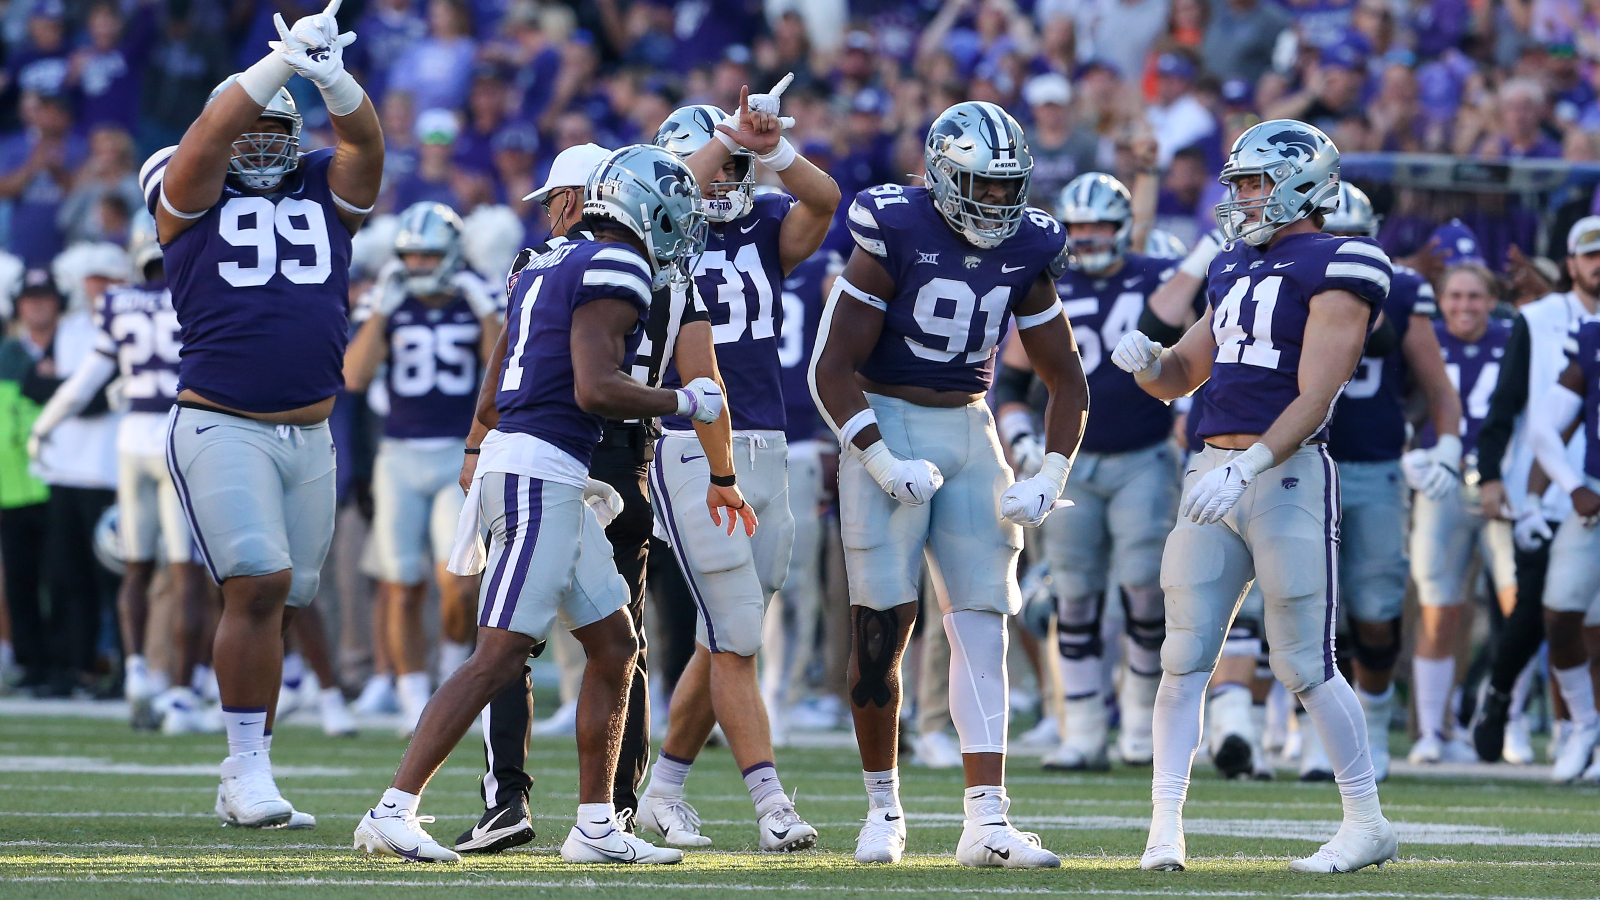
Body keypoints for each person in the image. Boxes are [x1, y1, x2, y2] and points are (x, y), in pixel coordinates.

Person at [354, 144, 722, 865]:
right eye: (672, 206)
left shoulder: (542, 261)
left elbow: (491, 397)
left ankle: (594, 826)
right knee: (500, 654)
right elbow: (595, 388)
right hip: (540, 472)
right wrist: (683, 398)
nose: (681, 223)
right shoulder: (615, 265)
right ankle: (392, 810)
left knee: (616, 647)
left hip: (532, 463)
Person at [1110, 120, 1396, 872]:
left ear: (1302, 182)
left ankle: (1366, 822)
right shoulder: (1234, 266)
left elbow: (1318, 393)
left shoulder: (1344, 260)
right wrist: (1146, 363)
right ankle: (1164, 830)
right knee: (1182, 656)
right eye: (1236, 182)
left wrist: (1252, 464)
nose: (1238, 198)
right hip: (1212, 471)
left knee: (1304, 660)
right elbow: (1183, 374)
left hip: (1286, 473)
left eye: (1252, 182)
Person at [811, 100, 1090, 869]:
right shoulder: (893, 228)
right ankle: (883, 809)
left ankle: (988, 822)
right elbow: (830, 369)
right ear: (940, 173)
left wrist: (1050, 472)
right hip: (885, 419)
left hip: (972, 428)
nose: (998, 202)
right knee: (880, 634)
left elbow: (1067, 380)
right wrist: (877, 459)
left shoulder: (1030, 242)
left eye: (1008, 186)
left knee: (983, 626)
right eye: (982, 184)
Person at [146, 0, 383, 829]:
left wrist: (333, 78)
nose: (258, 141)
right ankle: (248, 768)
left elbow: (366, 149)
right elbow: (209, 138)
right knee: (256, 579)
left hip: (310, 427)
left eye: (275, 130)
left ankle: (246, 766)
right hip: (221, 419)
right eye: (249, 125)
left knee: (285, 595)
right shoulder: (185, 183)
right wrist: (281, 63)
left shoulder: (321, 181)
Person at [456, 140, 716, 854]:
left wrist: (478, 448)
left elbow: (514, 373)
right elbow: (705, 382)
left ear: (577, 200)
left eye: (552, 202)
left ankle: (505, 799)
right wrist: (719, 469)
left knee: (511, 642)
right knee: (617, 642)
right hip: (628, 457)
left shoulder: (550, 265)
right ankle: (613, 811)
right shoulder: (671, 273)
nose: (546, 216)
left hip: (555, 445)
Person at [633, 80, 839, 853]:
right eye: (707, 166)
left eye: (730, 168)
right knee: (738, 633)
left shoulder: (764, 226)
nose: (718, 180)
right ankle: (771, 802)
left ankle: (663, 794)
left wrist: (771, 145)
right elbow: (676, 187)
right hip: (690, 442)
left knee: (727, 638)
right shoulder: (654, 233)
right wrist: (724, 135)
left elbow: (825, 200)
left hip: (770, 440)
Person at [995, 173, 1174, 772]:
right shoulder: (1049, 284)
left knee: (1146, 591)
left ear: (1125, 227)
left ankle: (1141, 724)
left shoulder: (1156, 278)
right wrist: (1022, 440)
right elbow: (1013, 384)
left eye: (1102, 224)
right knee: (1072, 595)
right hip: (1068, 463)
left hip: (1144, 456)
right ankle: (1082, 728)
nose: (1092, 237)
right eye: (1082, 226)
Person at [27, 220, 216, 732]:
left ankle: (137, 674)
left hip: (130, 437)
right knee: (185, 572)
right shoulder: (198, 292)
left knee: (135, 566)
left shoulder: (118, 304)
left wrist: (43, 428)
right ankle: (179, 695)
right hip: (180, 432)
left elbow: (83, 382)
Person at [1321, 182, 1461, 780]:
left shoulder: (1401, 291)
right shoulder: (1285, 281)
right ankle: (1307, 734)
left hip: (1372, 467)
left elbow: (1437, 388)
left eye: (1357, 239)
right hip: (1300, 462)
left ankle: (1374, 727)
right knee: (1310, 610)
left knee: (1375, 608)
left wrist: (1442, 443)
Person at [343, 201, 499, 736]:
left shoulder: (475, 297)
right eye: (409, 255)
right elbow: (354, 377)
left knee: (458, 581)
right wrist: (382, 311)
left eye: (428, 254)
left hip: (460, 454)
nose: (417, 264)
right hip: (400, 455)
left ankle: (455, 680)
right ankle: (414, 698)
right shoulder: (391, 302)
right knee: (402, 582)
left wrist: (484, 312)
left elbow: (502, 371)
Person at [1473, 218, 1600, 768]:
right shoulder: (1539, 318)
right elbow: (1513, 409)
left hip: (1576, 485)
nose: (1598, 264)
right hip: (1551, 486)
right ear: (1571, 262)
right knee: (1540, 612)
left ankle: (1576, 727)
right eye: (1589, 255)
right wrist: (1495, 475)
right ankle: (1503, 699)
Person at [1405, 264, 1515, 765]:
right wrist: (1408, 451)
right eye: (1455, 296)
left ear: (1492, 299)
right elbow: (1401, 404)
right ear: (1440, 299)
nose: (1464, 305)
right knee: (1438, 606)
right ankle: (1434, 728)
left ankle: (1505, 721)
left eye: (1474, 295)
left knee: (1519, 610)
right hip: (1441, 480)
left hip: (1503, 483)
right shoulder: (1423, 337)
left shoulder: (1515, 338)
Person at [1529, 315, 1600, 782]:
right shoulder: (1593, 338)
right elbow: (1543, 427)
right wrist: (1573, 486)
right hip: (1595, 492)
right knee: (1559, 613)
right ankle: (1584, 723)